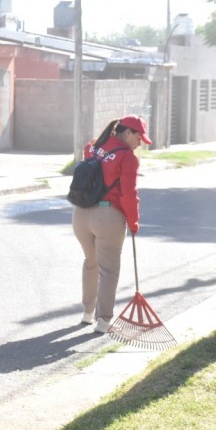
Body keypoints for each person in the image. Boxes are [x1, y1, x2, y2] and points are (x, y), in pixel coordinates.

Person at [72, 115, 151, 333]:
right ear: (127, 133)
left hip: (80, 214)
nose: (140, 143)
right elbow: (128, 195)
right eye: (139, 137)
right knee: (108, 271)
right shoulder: (127, 158)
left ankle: (87, 313)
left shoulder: (93, 146)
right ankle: (104, 322)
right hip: (107, 217)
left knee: (91, 261)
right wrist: (134, 222)